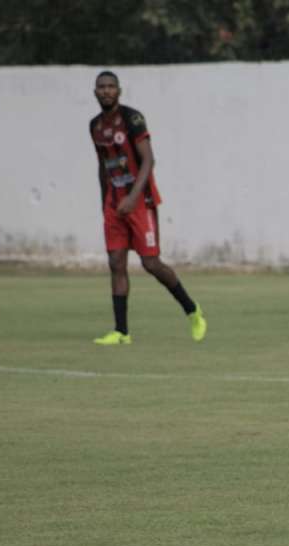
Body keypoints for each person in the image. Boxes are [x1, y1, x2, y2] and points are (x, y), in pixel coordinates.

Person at [89, 71, 207, 345]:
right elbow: (102, 165)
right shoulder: (94, 126)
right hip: (114, 204)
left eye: (110, 87)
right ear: (95, 92)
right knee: (116, 263)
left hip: (140, 202)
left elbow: (148, 160)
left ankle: (193, 310)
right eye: (101, 87)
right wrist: (104, 200)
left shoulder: (132, 119)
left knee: (151, 263)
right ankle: (121, 332)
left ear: (119, 91)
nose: (106, 91)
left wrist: (132, 197)